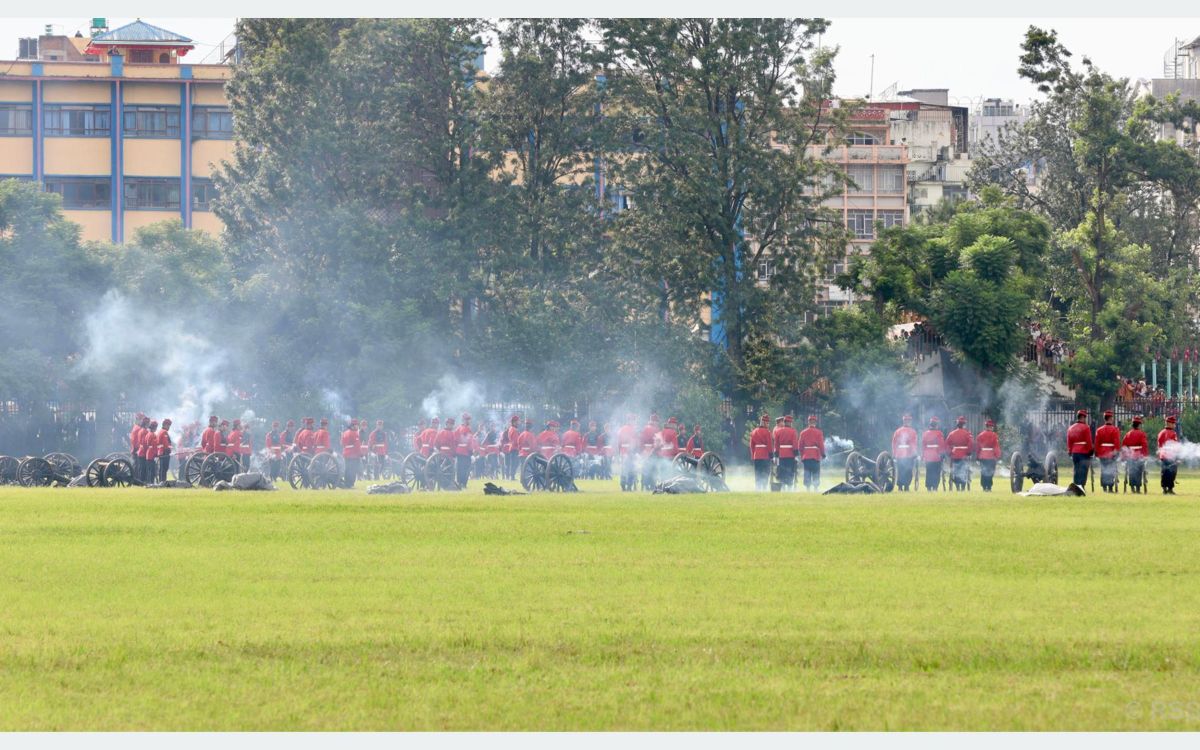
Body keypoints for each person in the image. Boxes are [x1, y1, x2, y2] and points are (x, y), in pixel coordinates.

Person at [1094, 410, 1122, 493]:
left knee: (1103, 470)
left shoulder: (1099, 430)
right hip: (1111, 452)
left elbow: (1097, 443)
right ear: (1110, 418)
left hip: (1102, 453)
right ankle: (1110, 487)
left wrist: (1097, 453)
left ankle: (1104, 487)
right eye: (1112, 417)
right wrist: (1116, 452)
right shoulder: (1115, 430)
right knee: (1110, 470)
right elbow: (1116, 443)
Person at [1066, 409, 1094, 487]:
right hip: (1084, 451)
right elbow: (1088, 440)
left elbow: (1069, 441)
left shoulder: (1071, 428)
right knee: (1083, 470)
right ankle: (1081, 486)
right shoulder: (1086, 427)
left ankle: (1075, 485)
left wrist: (1070, 451)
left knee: (1076, 469)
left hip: (1074, 452)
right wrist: (1091, 450)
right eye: (1085, 417)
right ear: (1083, 417)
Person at [1122, 415, 1150, 492]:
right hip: (1139, 455)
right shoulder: (1142, 434)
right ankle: (1138, 488)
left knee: (1131, 472)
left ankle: (1132, 487)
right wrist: (1145, 455)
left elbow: (1124, 446)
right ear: (1139, 425)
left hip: (1130, 456)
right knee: (1138, 472)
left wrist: (1124, 457)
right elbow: (1144, 445)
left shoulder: (1128, 434)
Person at [945, 416, 974, 490]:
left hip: (955, 455)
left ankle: (957, 486)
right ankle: (963, 487)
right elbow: (971, 443)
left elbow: (947, 444)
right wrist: (969, 452)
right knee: (963, 470)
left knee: (956, 470)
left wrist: (950, 452)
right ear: (964, 424)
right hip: (964, 454)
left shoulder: (952, 433)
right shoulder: (967, 433)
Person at [798, 415, 825, 492]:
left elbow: (800, 446)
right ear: (815, 423)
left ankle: (807, 488)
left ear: (808, 422)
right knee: (816, 472)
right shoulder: (819, 432)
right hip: (815, 456)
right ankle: (816, 488)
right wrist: (823, 454)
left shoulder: (803, 432)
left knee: (807, 471)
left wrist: (802, 455)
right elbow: (821, 445)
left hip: (806, 456)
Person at [891, 415, 918, 491]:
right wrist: (915, 453)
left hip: (899, 454)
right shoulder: (912, 431)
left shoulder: (897, 431)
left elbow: (894, 443)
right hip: (909, 454)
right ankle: (906, 486)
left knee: (900, 470)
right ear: (908, 421)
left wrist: (894, 453)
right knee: (908, 471)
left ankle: (900, 487)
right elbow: (913, 444)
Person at [975, 419, 1001, 492]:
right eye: (992, 427)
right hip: (991, 456)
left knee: (983, 471)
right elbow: (996, 447)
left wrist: (977, 457)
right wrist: (998, 456)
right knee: (990, 471)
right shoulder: (994, 435)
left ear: (986, 426)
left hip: (982, 456)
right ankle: (989, 487)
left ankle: (984, 487)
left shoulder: (980, 435)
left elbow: (978, 447)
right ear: (991, 427)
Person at [749, 414, 773, 491]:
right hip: (765, 455)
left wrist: (753, 455)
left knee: (758, 473)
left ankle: (758, 487)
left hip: (757, 455)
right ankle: (764, 487)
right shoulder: (767, 432)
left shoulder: (754, 431)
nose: (768, 425)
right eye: (767, 423)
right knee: (765, 472)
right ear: (765, 423)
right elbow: (769, 444)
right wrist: (771, 455)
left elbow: (751, 445)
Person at [774, 415, 799, 490]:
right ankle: (789, 486)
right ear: (790, 423)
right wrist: (796, 455)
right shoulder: (793, 431)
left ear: (784, 422)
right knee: (790, 471)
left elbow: (776, 444)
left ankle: (783, 486)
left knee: (782, 471)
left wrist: (776, 455)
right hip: (790, 454)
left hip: (781, 454)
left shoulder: (778, 431)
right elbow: (795, 444)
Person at [921, 417, 945, 492]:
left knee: (929, 472)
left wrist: (923, 455)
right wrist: (942, 454)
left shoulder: (925, 433)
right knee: (936, 472)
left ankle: (928, 487)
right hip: (936, 456)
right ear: (936, 425)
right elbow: (941, 445)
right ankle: (935, 487)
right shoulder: (939, 433)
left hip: (928, 456)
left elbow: (923, 445)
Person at [1158, 415, 1179, 495]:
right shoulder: (1173, 433)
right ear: (1169, 423)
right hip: (1171, 456)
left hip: (1163, 456)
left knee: (1164, 472)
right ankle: (1170, 489)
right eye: (1173, 423)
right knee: (1172, 472)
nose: (1174, 425)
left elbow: (1159, 445)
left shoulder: (1161, 433)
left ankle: (1164, 489)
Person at [616, 415, 638, 492]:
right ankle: (629, 485)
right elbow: (634, 442)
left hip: (623, 451)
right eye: (634, 420)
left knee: (624, 469)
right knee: (631, 469)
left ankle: (623, 484)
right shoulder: (633, 430)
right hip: (630, 452)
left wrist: (620, 452)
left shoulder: (621, 429)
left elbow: (618, 442)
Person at [341, 418, 363, 488]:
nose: (357, 427)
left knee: (347, 469)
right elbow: (357, 446)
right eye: (356, 425)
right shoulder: (354, 433)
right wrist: (360, 454)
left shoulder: (344, 433)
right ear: (353, 426)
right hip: (353, 455)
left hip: (345, 453)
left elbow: (342, 443)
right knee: (353, 470)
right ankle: (351, 484)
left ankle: (346, 483)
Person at [454, 413, 474, 488]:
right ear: (464, 420)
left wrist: (456, 449)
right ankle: (463, 484)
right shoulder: (468, 428)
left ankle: (459, 482)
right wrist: (471, 450)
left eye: (469, 419)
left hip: (459, 451)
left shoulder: (458, 428)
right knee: (466, 468)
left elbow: (455, 439)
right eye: (467, 419)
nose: (468, 421)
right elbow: (470, 440)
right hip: (466, 451)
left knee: (460, 468)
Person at [502, 415, 521, 480]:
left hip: (512, 448)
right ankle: (512, 476)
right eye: (518, 421)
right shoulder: (514, 430)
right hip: (515, 448)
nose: (519, 422)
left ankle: (512, 476)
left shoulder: (511, 429)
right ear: (514, 422)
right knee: (515, 463)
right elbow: (516, 440)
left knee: (514, 463)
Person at [157, 419, 173, 484]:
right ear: (165, 425)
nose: (169, 427)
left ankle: (162, 481)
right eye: (168, 425)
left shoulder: (161, 431)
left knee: (162, 468)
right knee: (164, 468)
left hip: (161, 452)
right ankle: (163, 481)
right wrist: (169, 449)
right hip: (164, 452)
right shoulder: (164, 432)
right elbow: (166, 444)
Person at [143, 420, 159, 484]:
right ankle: (151, 483)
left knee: (149, 470)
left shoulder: (147, 434)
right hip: (152, 454)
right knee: (152, 471)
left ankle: (149, 482)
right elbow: (154, 446)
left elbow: (145, 444)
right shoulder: (153, 435)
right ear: (154, 427)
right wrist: (156, 454)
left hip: (148, 453)